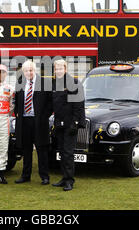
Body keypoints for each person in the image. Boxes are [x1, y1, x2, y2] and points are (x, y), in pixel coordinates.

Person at [14, 60, 53, 185]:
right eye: (26, 71)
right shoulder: (20, 83)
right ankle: (26, 175)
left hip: (39, 121)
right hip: (24, 121)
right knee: (26, 150)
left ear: (34, 70)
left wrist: (44, 116)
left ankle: (44, 176)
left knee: (42, 149)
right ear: (23, 72)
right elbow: (16, 100)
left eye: (30, 70)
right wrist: (17, 112)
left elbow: (50, 102)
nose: (28, 73)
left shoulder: (44, 83)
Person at [51, 59, 85, 191]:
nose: (58, 71)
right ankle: (64, 178)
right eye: (56, 69)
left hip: (71, 123)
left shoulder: (74, 82)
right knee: (61, 152)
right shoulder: (54, 84)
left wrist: (75, 123)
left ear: (65, 69)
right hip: (59, 123)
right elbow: (54, 105)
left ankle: (70, 181)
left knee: (68, 153)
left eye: (60, 68)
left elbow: (78, 105)